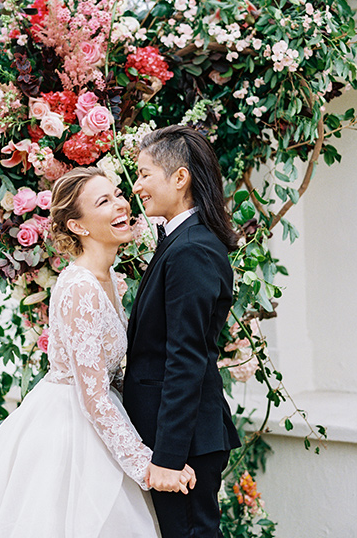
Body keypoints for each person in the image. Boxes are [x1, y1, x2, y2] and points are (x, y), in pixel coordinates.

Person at [0, 166, 195, 538]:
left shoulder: (109, 279)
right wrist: (146, 465)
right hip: (69, 427)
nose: (121, 204)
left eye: (118, 194)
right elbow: (92, 396)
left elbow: (111, 375)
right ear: (78, 226)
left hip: (100, 413)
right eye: (104, 201)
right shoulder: (80, 288)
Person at [123, 125, 242, 538]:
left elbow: (185, 357)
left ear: (179, 177)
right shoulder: (177, 242)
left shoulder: (192, 249)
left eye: (144, 174)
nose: (137, 186)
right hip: (177, 436)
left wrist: (169, 457)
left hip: (185, 443)